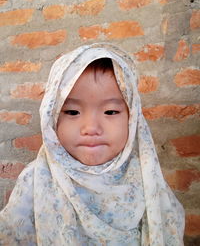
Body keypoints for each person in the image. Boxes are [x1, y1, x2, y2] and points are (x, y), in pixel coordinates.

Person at [0, 43, 185, 245]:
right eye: (72, 112)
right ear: (51, 118)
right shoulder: (35, 178)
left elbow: (168, 227)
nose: (91, 127)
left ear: (132, 120)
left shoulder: (146, 178)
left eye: (110, 112)